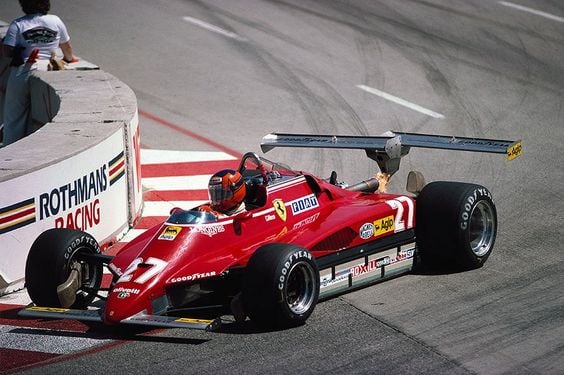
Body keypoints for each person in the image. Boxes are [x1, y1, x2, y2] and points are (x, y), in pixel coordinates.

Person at [1, 0, 77, 146]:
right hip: (47, 69)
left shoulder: (18, 24)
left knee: (14, 116)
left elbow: (7, 51)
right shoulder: (55, 21)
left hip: (22, 70)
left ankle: (11, 148)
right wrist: (69, 59)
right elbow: (66, 46)